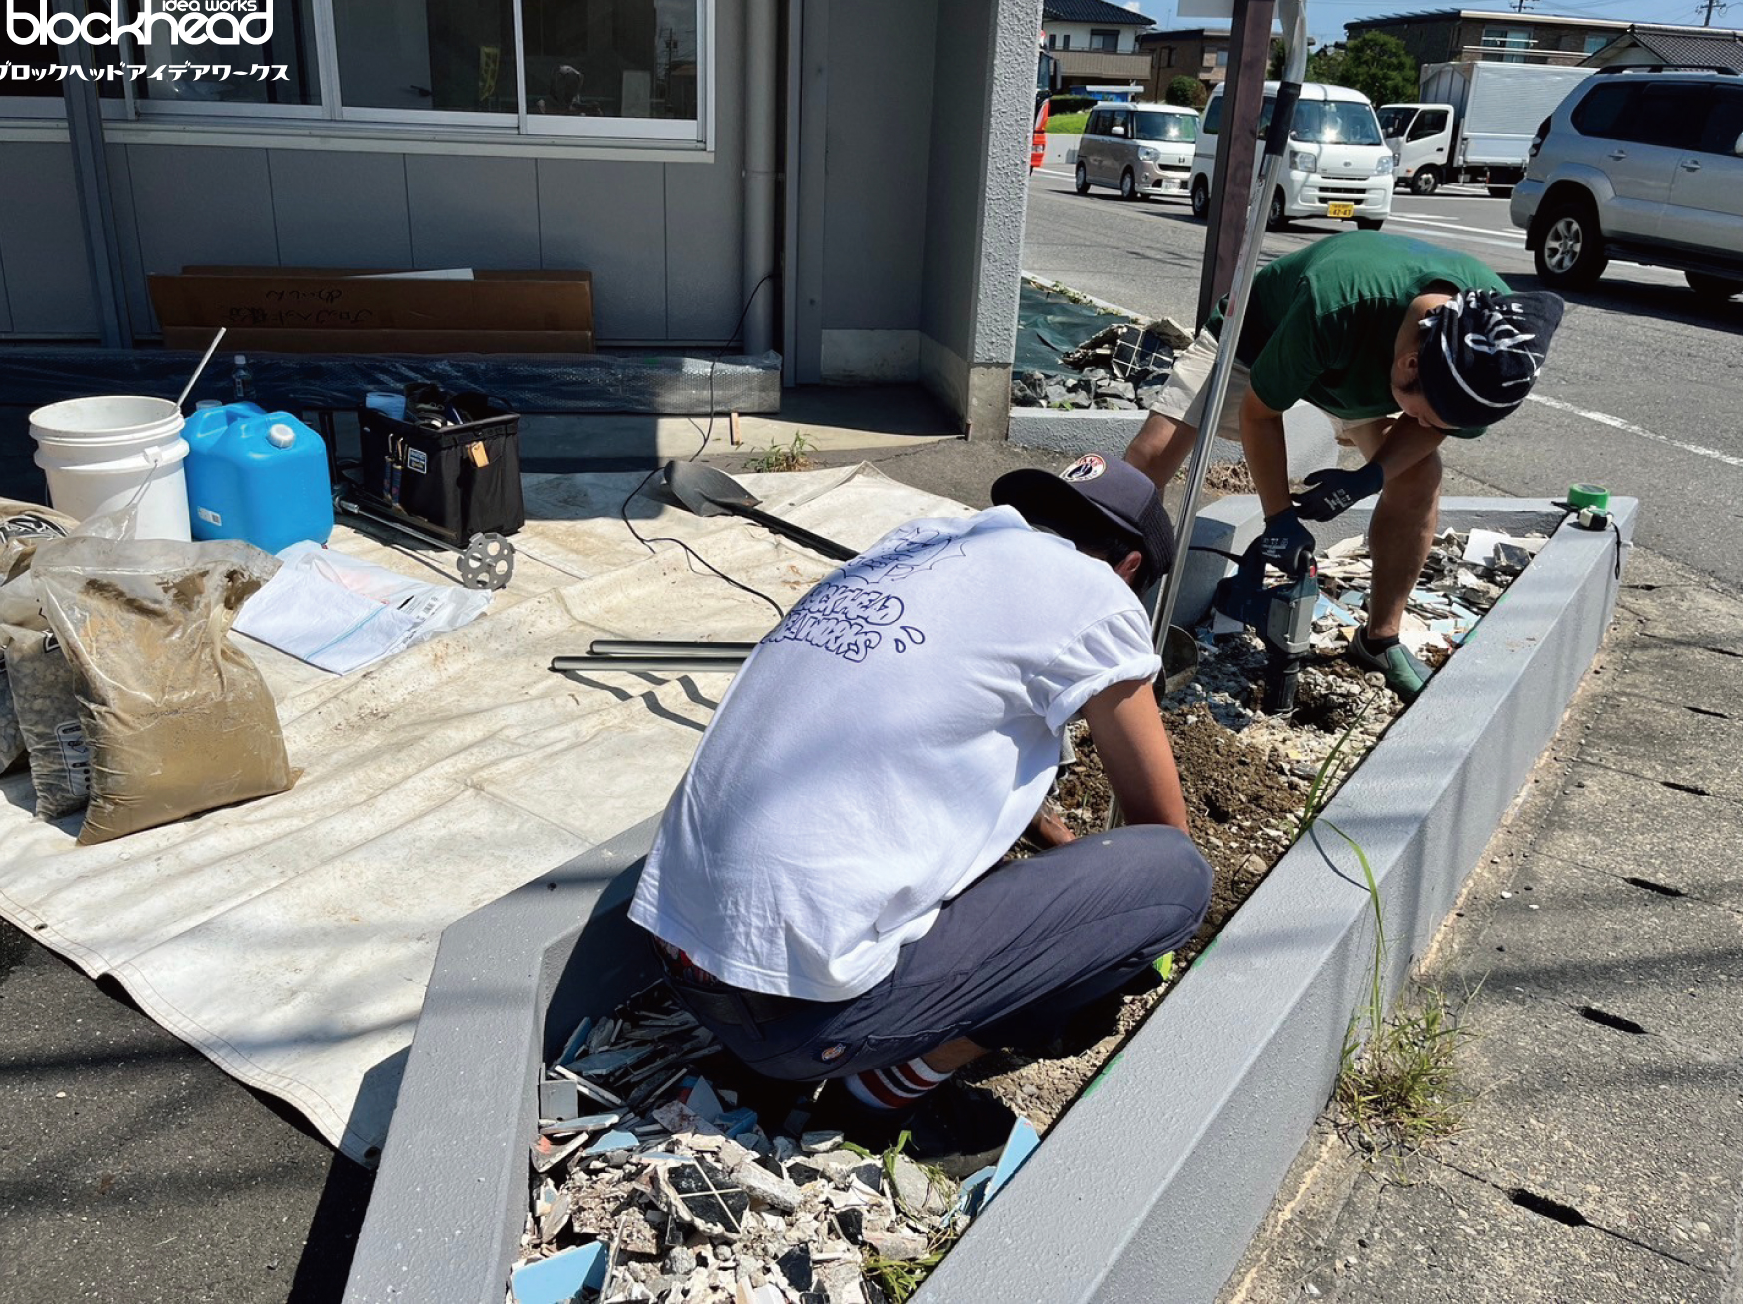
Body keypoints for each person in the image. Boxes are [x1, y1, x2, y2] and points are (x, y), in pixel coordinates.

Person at [627, 454, 1213, 1153]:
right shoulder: (1095, 589)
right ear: (1130, 568)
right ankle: (878, 1094)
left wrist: (1058, 846)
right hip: (794, 1026)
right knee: (1175, 881)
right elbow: (1161, 831)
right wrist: (1097, 943)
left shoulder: (915, 544)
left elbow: (932, 736)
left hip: (680, 953)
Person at [1124, 233, 1564, 700]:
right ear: (1410, 363)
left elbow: (1432, 427)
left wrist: (1367, 477)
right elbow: (1260, 414)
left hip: (1362, 376)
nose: (1413, 425)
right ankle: (1088, 586)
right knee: (1151, 456)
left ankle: (1379, 639)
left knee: (1419, 477)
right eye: (1417, 414)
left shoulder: (1493, 345)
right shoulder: (1335, 303)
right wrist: (1278, 517)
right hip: (1260, 339)